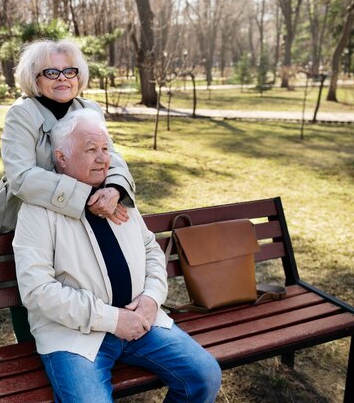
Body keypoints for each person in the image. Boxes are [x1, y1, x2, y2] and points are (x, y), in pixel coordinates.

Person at [13, 109, 221, 402]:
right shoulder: (37, 211)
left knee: (205, 376)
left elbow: (151, 250)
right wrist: (112, 320)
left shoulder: (114, 195)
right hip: (75, 335)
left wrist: (151, 299)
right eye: (90, 150)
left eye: (105, 149)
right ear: (61, 158)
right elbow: (37, 291)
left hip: (141, 322)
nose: (103, 159)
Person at [0, 40, 136, 341]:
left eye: (69, 70)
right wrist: (86, 197)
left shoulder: (90, 108)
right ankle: (31, 352)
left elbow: (112, 156)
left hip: (78, 219)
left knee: (74, 284)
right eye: (51, 72)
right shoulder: (21, 114)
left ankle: (87, 343)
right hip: (25, 219)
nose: (63, 78)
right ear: (34, 78)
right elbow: (22, 177)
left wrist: (115, 188)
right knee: (31, 288)